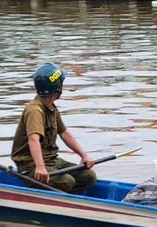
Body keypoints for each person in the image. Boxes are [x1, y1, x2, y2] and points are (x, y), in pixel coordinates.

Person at [11, 63, 97, 194]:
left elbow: (64, 133)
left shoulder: (51, 108)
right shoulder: (35, 110)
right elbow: (33, 139)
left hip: (51, 161)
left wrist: (84, 155)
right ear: (57, 88)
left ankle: (61, 194)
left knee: (88, 176)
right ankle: (53, 193)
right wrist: (40, 167)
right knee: (67, 181)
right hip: (30, 166)